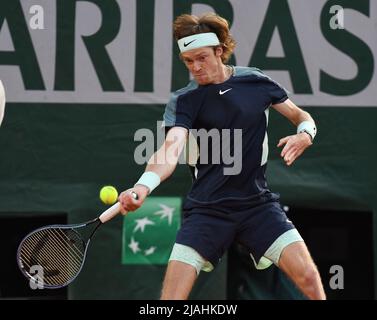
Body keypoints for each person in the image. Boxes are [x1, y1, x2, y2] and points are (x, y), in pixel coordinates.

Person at [119, 12, 326, 300]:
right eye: (189, 62)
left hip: (258, 206)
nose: (196, 68)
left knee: (309, 277)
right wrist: (143, 185)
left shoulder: (255, 82)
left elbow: (300, 115)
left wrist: (305, 134)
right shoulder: (185, 100)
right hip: (207, 210)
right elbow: (171, 147)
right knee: (170, 299)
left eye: (201, 58)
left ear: (220, 50)